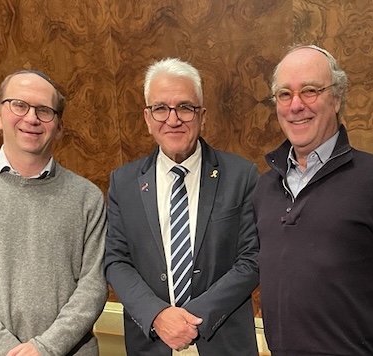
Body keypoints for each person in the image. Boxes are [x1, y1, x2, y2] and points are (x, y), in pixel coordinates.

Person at [253, 44, 373, 356]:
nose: (295, 105)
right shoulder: (265, 187)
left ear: (337, 98)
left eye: (310, 91)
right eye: (284, 94)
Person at [104, 58, 259, 356]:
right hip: (151, 341)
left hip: (221, 340)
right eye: (160, 108)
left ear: (203, 116)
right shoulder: (123, 183)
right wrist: (157, 316)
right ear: (147, 118)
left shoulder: (241, 176)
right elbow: (116, 260)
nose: (173, 119)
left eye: (185, 107)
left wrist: (193, 319)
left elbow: (252, 259)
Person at [0, 70, 108, 355]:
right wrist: (6, 349)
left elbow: (94, 287)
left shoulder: (87, 198)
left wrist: (44, 348)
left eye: (44, 110)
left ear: (60, 127)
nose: (31, 118)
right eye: (19, 105)